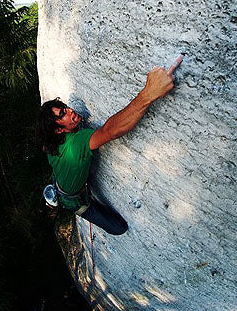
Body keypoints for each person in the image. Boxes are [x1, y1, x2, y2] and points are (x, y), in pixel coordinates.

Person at [39, 55, 184, 235]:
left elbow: (46, 147)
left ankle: (56, 192)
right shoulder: (77, 144)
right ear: (59, 130)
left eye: (65, 107)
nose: (70, 110)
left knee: (63, 179)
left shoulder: (52, 143)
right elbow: (110, 131)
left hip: (62, 181)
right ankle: (57, 202)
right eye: (63, 114)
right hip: (73, 200)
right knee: (118, 228)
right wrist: (150, 93)